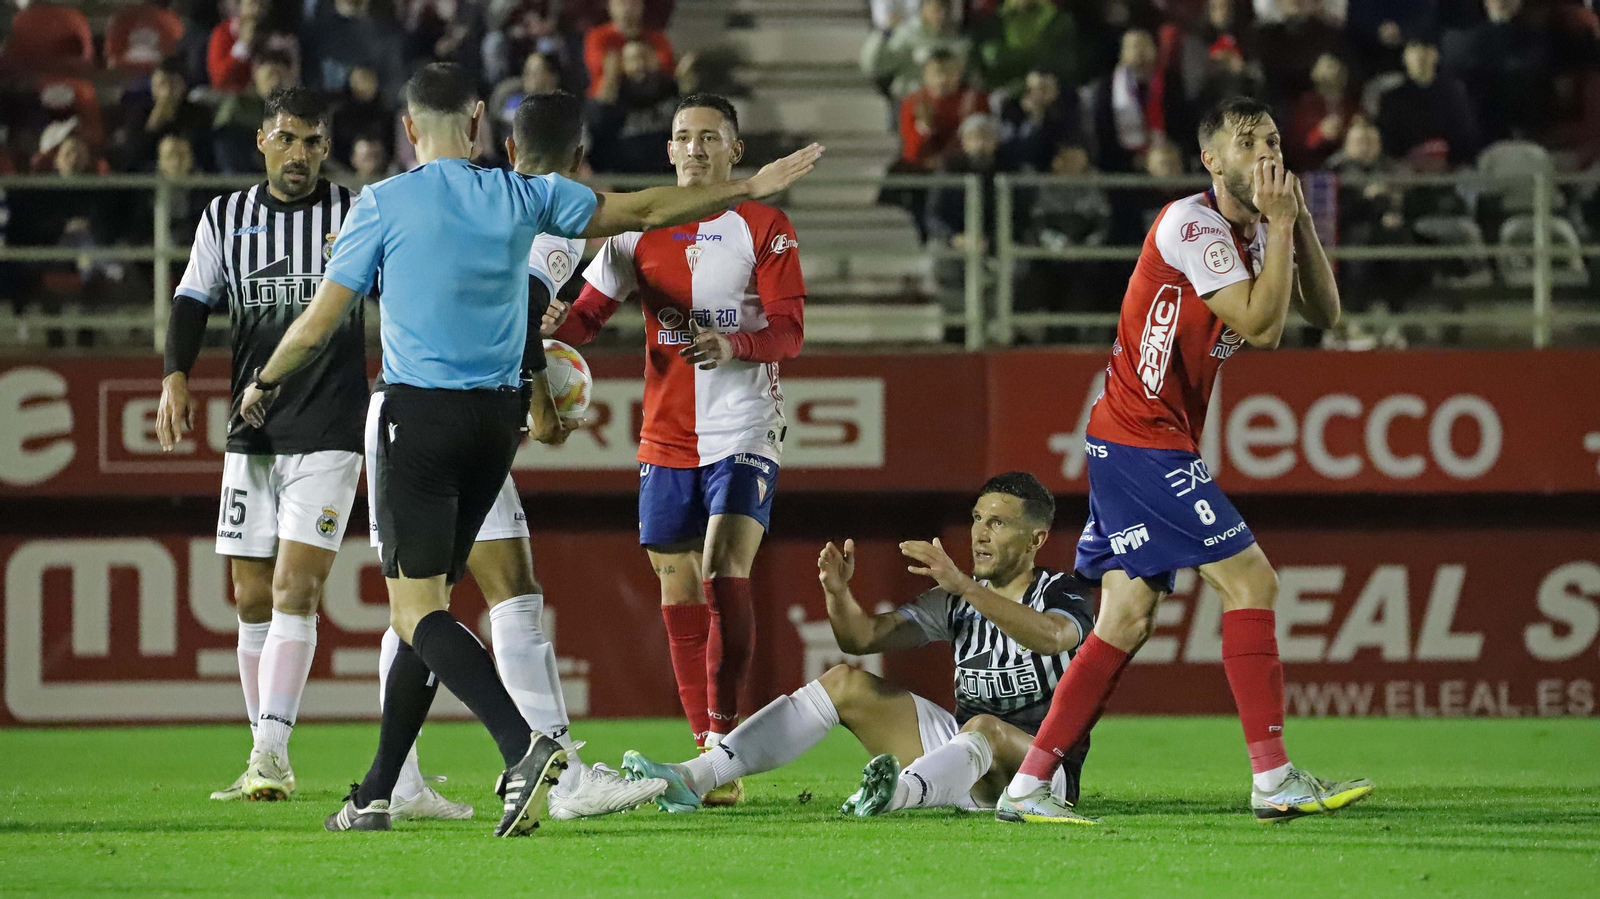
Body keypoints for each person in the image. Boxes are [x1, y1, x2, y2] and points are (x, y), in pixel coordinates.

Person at [236, 63, 821, 836]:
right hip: (492, 424)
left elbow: (319, 321)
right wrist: (751, 185)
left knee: (417, 611)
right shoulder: (524, 196)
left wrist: (264, 381)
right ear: (477, 121)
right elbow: (641, 209)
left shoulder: (382, 202)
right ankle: (381, 786)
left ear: (410, 129)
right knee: (453, 600)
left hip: (416, 417)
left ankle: (528, 748)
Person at [996, 96, 1373, 825]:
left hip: (1138, 435)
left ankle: (1030, 781)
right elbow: (1263, 327)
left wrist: (1296, 223)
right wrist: (1284, 224)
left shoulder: (1261, 230)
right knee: (1251, 578)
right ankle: (1273, 777)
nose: (1265, 150)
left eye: (1271, 137)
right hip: (1142, 437)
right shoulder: (1191, 223)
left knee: (1125, 619)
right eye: (1247, 141)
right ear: (1212, 161)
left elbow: (1325, 315)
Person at [364, 90, 673, 824]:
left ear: (506, 147)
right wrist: (541, 400)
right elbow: (530, 308)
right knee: (477, 596)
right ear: (579, 159)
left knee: (427, 602)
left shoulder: (473, 196)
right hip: (450, 413)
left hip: (416, 409)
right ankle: (558, 771)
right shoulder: (545, 210)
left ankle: (395, 782)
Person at [546, 93, 807, 807]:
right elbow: (587, 319)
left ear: (735, 153)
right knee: (678, 585)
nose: (693, 149)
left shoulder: (764, 226)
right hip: (666, 436)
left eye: (708, 138)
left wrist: (736, 343)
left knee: (725, 570)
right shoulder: (634, 236)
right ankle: (707, 755)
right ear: (667, 152)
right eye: (682, 138)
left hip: (745, 424)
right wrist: (552, 324)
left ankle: (724, 746)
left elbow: (789, 332)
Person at [620, 473, 1098, 818]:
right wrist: (838, 594)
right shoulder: (956, 597)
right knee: (846, 682)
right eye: (977, 519)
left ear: (1036, 538)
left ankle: (897, 795)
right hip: (959, 753)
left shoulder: (1062, 592)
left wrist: (964, 586)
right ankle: (695, 778)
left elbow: (1053, 636)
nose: (979, 532)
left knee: (985, 727)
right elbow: (861, 638)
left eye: (998, 523)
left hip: (1038, 769)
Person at [154, 88, 365, 803]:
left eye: (311, 141)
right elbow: (191, 299)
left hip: (332, 426)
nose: (299, 153)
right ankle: (264, 752)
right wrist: (175, 377)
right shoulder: (227, 216)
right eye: (286, 139)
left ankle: (271, 751)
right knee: (248, 597)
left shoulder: (356, 214)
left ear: (326, 147)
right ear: (262, 142)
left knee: (293, 589)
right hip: (254, 429)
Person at [583, 0, 673, 98]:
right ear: (609, 6)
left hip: (650, 96)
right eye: (621, 3)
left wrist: (621, 63)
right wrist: (644, 60)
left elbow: (667, 63)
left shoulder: (657, 38)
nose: (628, 8)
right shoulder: (597, 37)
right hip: (610, 97)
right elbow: (599, 65)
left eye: (633, 3)